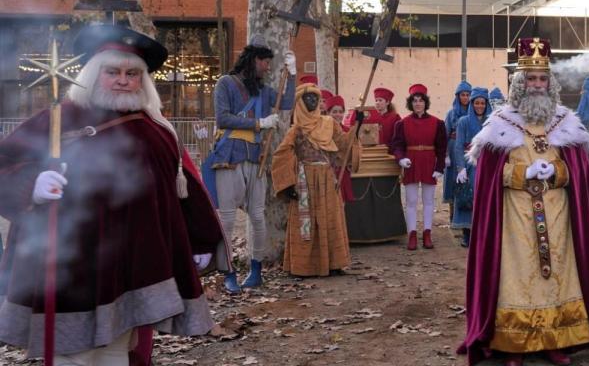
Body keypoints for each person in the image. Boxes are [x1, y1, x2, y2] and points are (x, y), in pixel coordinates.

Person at [0, 24, 227, 362]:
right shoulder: (60, 118)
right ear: (93, 75)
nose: (123, 80)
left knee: (120, 350)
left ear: (143, 81)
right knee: (73, 352)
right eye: (112, 72)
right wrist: (32, 185)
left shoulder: (157, 129)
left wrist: (201, 240)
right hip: (71, 264)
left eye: (132, 73)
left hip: (137, 263)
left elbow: (182, 190)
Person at [459, 37, 589, 366]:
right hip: (514, 217)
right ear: (519, 84)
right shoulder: (500, 124)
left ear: (550, 84)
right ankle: (515, 344)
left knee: (555, 276)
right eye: (530, 80)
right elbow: (490, 175)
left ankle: (554, 339)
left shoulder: (565, 122)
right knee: (517, 278)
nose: (537, 85)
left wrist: (555, 170)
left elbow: (578, 173)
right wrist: (524, 173)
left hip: (557, 215)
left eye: (542, 79)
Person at [208, 35, 296, 294]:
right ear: (252, 60)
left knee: (258, 216)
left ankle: (255, 271)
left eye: (270, 62)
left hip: (255, 156)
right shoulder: (225, 83)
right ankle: (228, 273)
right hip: (229, 157)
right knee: (226, 219)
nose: (267, 67)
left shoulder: (263, 90)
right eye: (264, 61)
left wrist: (292, 73)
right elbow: (223, 118)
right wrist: (259, 124)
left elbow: (287, 101)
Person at [271, 84, 362, 277]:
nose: (313, 102)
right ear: (300, 103)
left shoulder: (329, 124)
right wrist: (287, 184)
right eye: (308, 98)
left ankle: (334, 264)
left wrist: (357, 126)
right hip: (304, 181)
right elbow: (281, 154)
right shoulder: (296, 130)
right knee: (307, 223)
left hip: (327, 179)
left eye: (315, 98)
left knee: (330, 218)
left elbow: (343, 144)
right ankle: (303, 267)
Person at [390, 84, 447, 250]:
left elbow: (442, 148)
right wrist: (401, 159)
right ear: (411, 103)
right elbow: (397, 145)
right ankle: (412, 234)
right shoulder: (402, 124)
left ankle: (427, 234)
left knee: (429, 201)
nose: (418, 104)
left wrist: (440, 166)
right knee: (411, 201)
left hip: (429, 161)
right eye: (414, 101)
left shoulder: (437, 123)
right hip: (411, 162)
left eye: (421, 101)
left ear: (425, 102)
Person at [452, 87, 491, 247]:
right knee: (467, 198)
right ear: (472, 104)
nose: (479, 106)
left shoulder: (492, 122)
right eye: (477, 103)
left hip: (487, 165)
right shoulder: (463, 122)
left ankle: (483, 233)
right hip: (469, 165)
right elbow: (458, 146)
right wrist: (460, 168)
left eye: (482, 103)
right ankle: (467, 234)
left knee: (485, 199)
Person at [443, 81, 473, 212]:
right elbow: (445, 134)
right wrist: (446, 155)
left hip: (470, 148)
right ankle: (452, 213)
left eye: (468, 95)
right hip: (454, 148)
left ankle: (467, 210)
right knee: (453, 179)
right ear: (458, 96)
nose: (465, 97)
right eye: (463, 95)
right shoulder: (451, 114)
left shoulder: (474, 112)